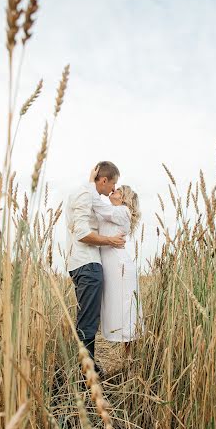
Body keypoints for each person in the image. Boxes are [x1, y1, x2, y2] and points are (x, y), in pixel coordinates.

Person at [65, 161, 125, 376]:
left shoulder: (88, 193)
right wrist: (111, 241)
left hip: (85, 263)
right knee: (88, 321)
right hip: (87, 264)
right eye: (113, 183)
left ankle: (88, 365)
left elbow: (105, 212)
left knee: (88, 318)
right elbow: (82, 233)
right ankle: (86, 372)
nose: (114, 189)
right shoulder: (84, 194)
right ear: (104, 180)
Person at [88, 167, 143, 355]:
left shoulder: (123, 212)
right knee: (117, 310)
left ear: (124, 199)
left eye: (118, 191)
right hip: (111, 266)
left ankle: (130, 360)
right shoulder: (112, 211)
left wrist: (91, 181)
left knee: (126, 310)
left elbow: (96, 203)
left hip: (120, 267)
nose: (114, 190)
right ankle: (127, 359)